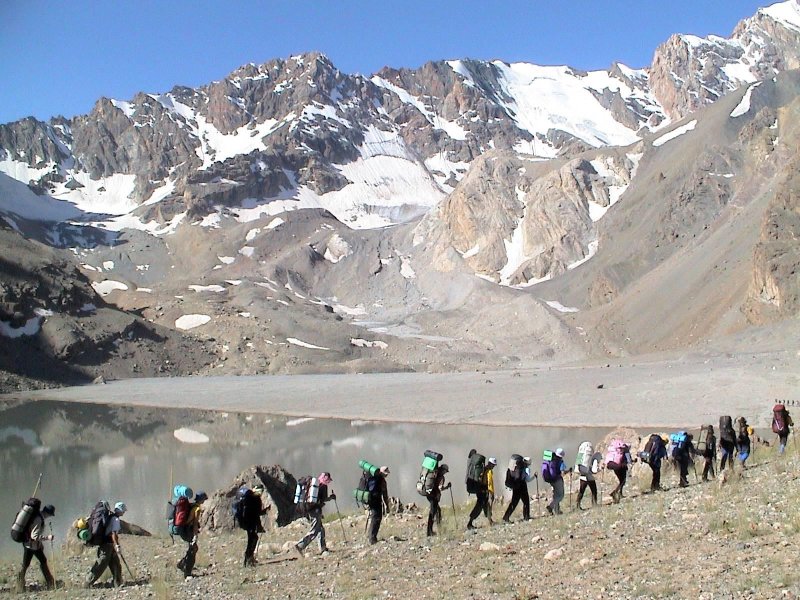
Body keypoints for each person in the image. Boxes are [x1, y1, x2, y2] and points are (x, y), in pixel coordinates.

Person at [86, 501, 126, 588]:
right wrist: (117, 546)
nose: (124, 512)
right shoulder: (115, 519)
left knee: (115, 563)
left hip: (108, 544)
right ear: (120, 510)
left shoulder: (110, 516)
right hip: (107, 544)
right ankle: (88, 582)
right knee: (102, 563)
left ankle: (118, 582)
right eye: (123, 511)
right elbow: (113, 534)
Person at [17, 504, 56, 592]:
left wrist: (40, 544)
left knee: (26, 564)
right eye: (50, 515)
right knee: (42, 561)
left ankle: (20, 584)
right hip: (32, 545)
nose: (49, 517)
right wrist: (47, 538)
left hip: (29, 544)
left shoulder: (38, 516)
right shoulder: (39, 519)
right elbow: (34, 536)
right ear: (48, 513)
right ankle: (50, 583)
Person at [296, 472, 336, 554]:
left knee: (321, 529)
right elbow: (323, 499)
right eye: (328, 480)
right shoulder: (323, 486)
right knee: (314, 530)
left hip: (309, 509)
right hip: (315, 510)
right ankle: (300, 545)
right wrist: (331, 497)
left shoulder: (314, 485)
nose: (328, 482)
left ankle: (323, 548)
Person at [177, 491, 207, 578]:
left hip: (183, 529)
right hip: (188, 531)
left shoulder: (192, 505)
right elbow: (194, 524)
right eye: (204, 500)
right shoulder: (197, 509)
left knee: (193, 548)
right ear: (202, 500)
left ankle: (182, 564)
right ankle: (187, 572)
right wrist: (195, 536)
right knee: (193, 550)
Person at [242, 485, 267, 567]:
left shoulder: (249, 498)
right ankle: (248, 559)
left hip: (247, 522)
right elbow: (257, 512)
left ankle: (248, 559)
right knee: (252, 540)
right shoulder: (255, 499)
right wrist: (265, 511)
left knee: (252, 539)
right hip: (251, 522)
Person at [502, 456, 531, 522]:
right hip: (521, 485)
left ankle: (506, 516)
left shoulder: (515, 467)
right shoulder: (523, 467)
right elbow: (526, 479)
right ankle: (526, 516)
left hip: (515, 485)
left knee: (514, 502)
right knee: (526, 501)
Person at [424, 464, 451, 536]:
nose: (446, 473)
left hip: (429, 494)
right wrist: (447, 487)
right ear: (444, 470)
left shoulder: (434, 474)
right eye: (446, 471)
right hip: (434, 496)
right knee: (433, 513)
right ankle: (432, 531)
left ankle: (433, 530)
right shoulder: (441, 477)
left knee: (436, 511)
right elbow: (440, 488)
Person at [466, 451, 490, 530]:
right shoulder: (479, 467)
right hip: (481, 488)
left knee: (485, 504)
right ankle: (470, 523)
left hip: (478, 487)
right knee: (480, 505)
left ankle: (490, 520)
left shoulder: (470, 465)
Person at [367, 466, 390, 544]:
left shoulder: (373, 478)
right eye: (386, 473)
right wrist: (386, 505)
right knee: (376, 518)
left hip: (370, 500)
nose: (387, 475)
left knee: (374, 517)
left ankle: (371, 536)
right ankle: (372, 538)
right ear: (382, 472)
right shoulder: (381, 480)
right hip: (376, 501)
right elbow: (385, 495)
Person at [576, 443, 600, 508]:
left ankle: (578, 505)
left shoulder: (580, 454)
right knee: (594, 490)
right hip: (589, 476)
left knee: (581, 491)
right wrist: (598, 469)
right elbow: (594, 470)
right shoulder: (593, 456)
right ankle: (594, 504)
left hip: (582, 475)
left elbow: (577, 466)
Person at [546, 448, 569, 516]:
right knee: (560, 495)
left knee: (556, 495)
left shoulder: (551, 459)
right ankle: (550, 506)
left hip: (551, 480)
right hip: (557, 479)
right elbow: (563, 471)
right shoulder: (560, 461)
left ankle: (557, 511)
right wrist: (569, 471)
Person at [484, 457, 497, 524]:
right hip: (488, 491)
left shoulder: (485, 469)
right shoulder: (489, 471)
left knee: (487, 505)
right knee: (489, 505)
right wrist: (491, 492)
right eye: (493, 465)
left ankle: (490, 520)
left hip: (485, 490)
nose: (494, 466)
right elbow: (489, 483)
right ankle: (490, 521)